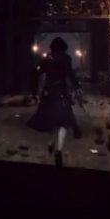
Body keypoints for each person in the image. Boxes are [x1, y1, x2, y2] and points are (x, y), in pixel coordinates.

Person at [27, 37, 83, 165]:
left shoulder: (47, 59)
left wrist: (34, 92)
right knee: (64, 122)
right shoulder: (66, 58)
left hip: (49, 94)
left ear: (52, 48)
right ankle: (58, 149)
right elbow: (70, 74)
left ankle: (51, 143)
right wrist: (76, 87)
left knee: (50, 123)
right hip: (62, 93)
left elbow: (36, 73)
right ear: (63, 47)